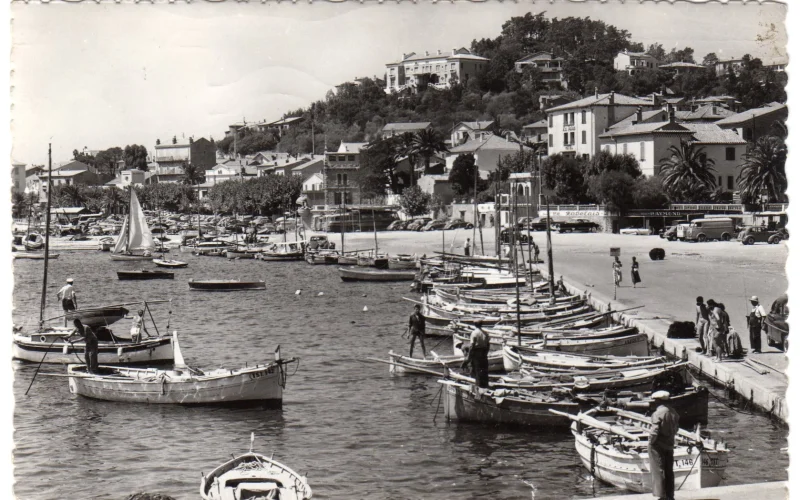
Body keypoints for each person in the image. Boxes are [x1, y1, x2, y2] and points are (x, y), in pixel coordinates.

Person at [648, 390, 679, 500]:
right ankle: (670, 495)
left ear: (658, 401)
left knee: (659, 470)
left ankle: (662, 496)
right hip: (669, 445)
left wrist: (651, 442)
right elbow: (676, 429)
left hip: (658, 446)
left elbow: (654, 431)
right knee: (669, 471)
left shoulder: (657, 413)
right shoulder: (673, 412)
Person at [462, 320, 490, 389]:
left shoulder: (474, 333)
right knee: (484, 370)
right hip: (484, 353)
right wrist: (486, 352)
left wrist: (469, 356)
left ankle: (479, 386)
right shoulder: (485, 333)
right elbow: (488, 344)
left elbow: (472, 346)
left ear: (475, 325)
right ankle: (485, 385)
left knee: (477, 370)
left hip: (477, 353)